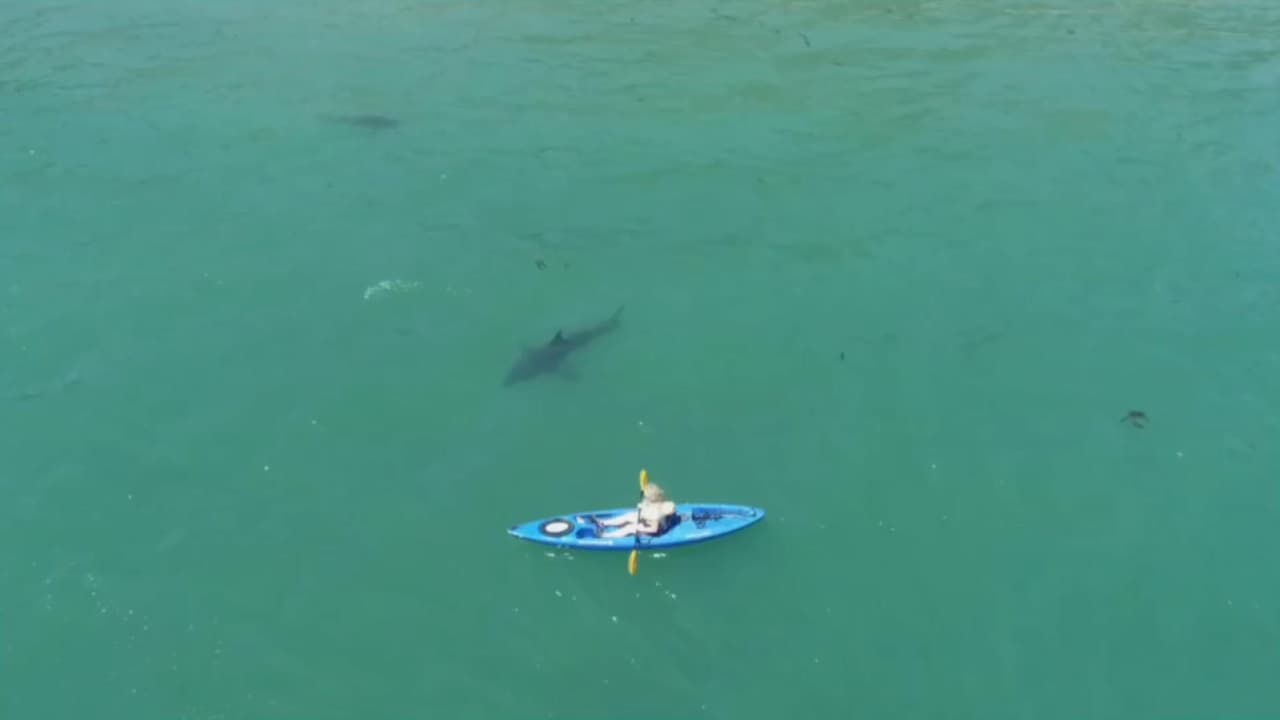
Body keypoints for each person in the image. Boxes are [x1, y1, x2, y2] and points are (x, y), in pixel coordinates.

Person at [595, 482, 677, 539]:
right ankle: (603, 523)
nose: (644, 498)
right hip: (654, 522)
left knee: (629, 528)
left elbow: (654, 529)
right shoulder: (661, 502)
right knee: (629, 516)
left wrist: (638, 528)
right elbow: (671, 508)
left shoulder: (654, 514)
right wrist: (643, 508)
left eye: (646, 497)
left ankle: (605, 536)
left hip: (656, 532)